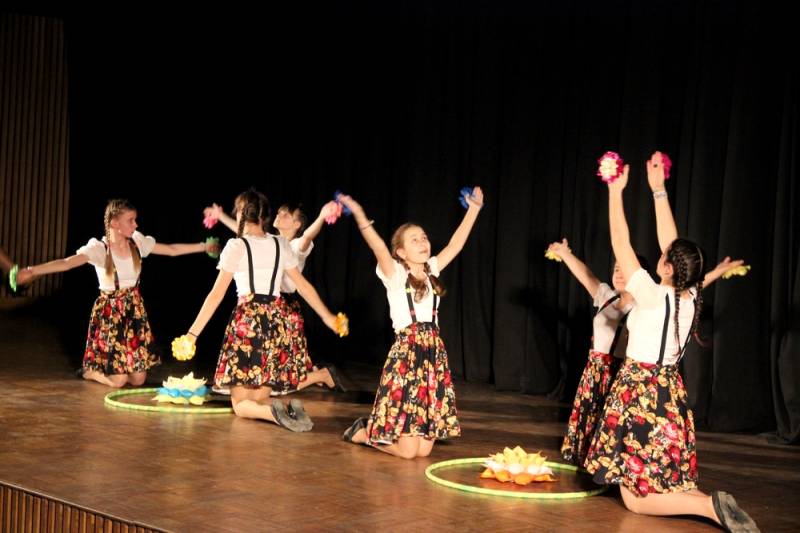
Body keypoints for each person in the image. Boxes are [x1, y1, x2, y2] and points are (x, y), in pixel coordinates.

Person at [584, 152, 759, 531]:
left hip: (639, 391)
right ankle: (707, 501)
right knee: (664, 479)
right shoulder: (691, 295)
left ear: (667, 267)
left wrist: (615, 192)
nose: (662, 252)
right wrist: (658, 190)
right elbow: (674, 244)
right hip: (668, 392)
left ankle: (709, 507)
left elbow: (620, 242)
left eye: (665, 256)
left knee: (635, 499)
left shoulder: (650, 293)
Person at [551, 242, 744, 467]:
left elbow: (690, 290)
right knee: (591, 417)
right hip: (595, 373)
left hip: (621, 375)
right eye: (616, 269)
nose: (619, 274)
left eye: (624, 269)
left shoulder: (647, 303)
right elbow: (586, 275)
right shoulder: (606, 296)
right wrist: (564, 254)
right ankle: (588, 461)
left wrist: (717, 272)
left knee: (615, 427)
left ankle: (616, 467)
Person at [339, 188, 483, 459]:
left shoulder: (432, 269)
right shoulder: (395, 274)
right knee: (407, 453)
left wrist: (474, 209)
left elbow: (456, 245)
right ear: (401, 252)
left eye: (424, 237)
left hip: (433, 355)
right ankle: (362, 433)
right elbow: (378, 247)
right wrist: (359, 214)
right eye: (414, 239)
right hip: (407, 354)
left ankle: (381, 431)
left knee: (423, 452)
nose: (422, 242)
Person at [186, 189, 344, 432]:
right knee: (258, 398)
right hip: (275, 321)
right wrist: (328, 317)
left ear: (241, 214)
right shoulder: (280, 244)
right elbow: (303, 286)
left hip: (248, 322)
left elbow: (216, 295)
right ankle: (284, 408)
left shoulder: (236, 246)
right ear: (265, 217)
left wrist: (192, 334)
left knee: (240, 405)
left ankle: (274, 412)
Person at [15, 199, 218, 388]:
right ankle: (89, 371)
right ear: (114, 223)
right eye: (130, 220)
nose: (135, 224)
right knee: (118, 381)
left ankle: (119, 368)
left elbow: (171, 249)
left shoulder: (137, 243)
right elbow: (66, 263)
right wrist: (33, 271)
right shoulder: (99, 249)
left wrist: (204, 246)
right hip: (110, 315)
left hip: (134, 313)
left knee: (138, 379)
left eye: (135, 220)